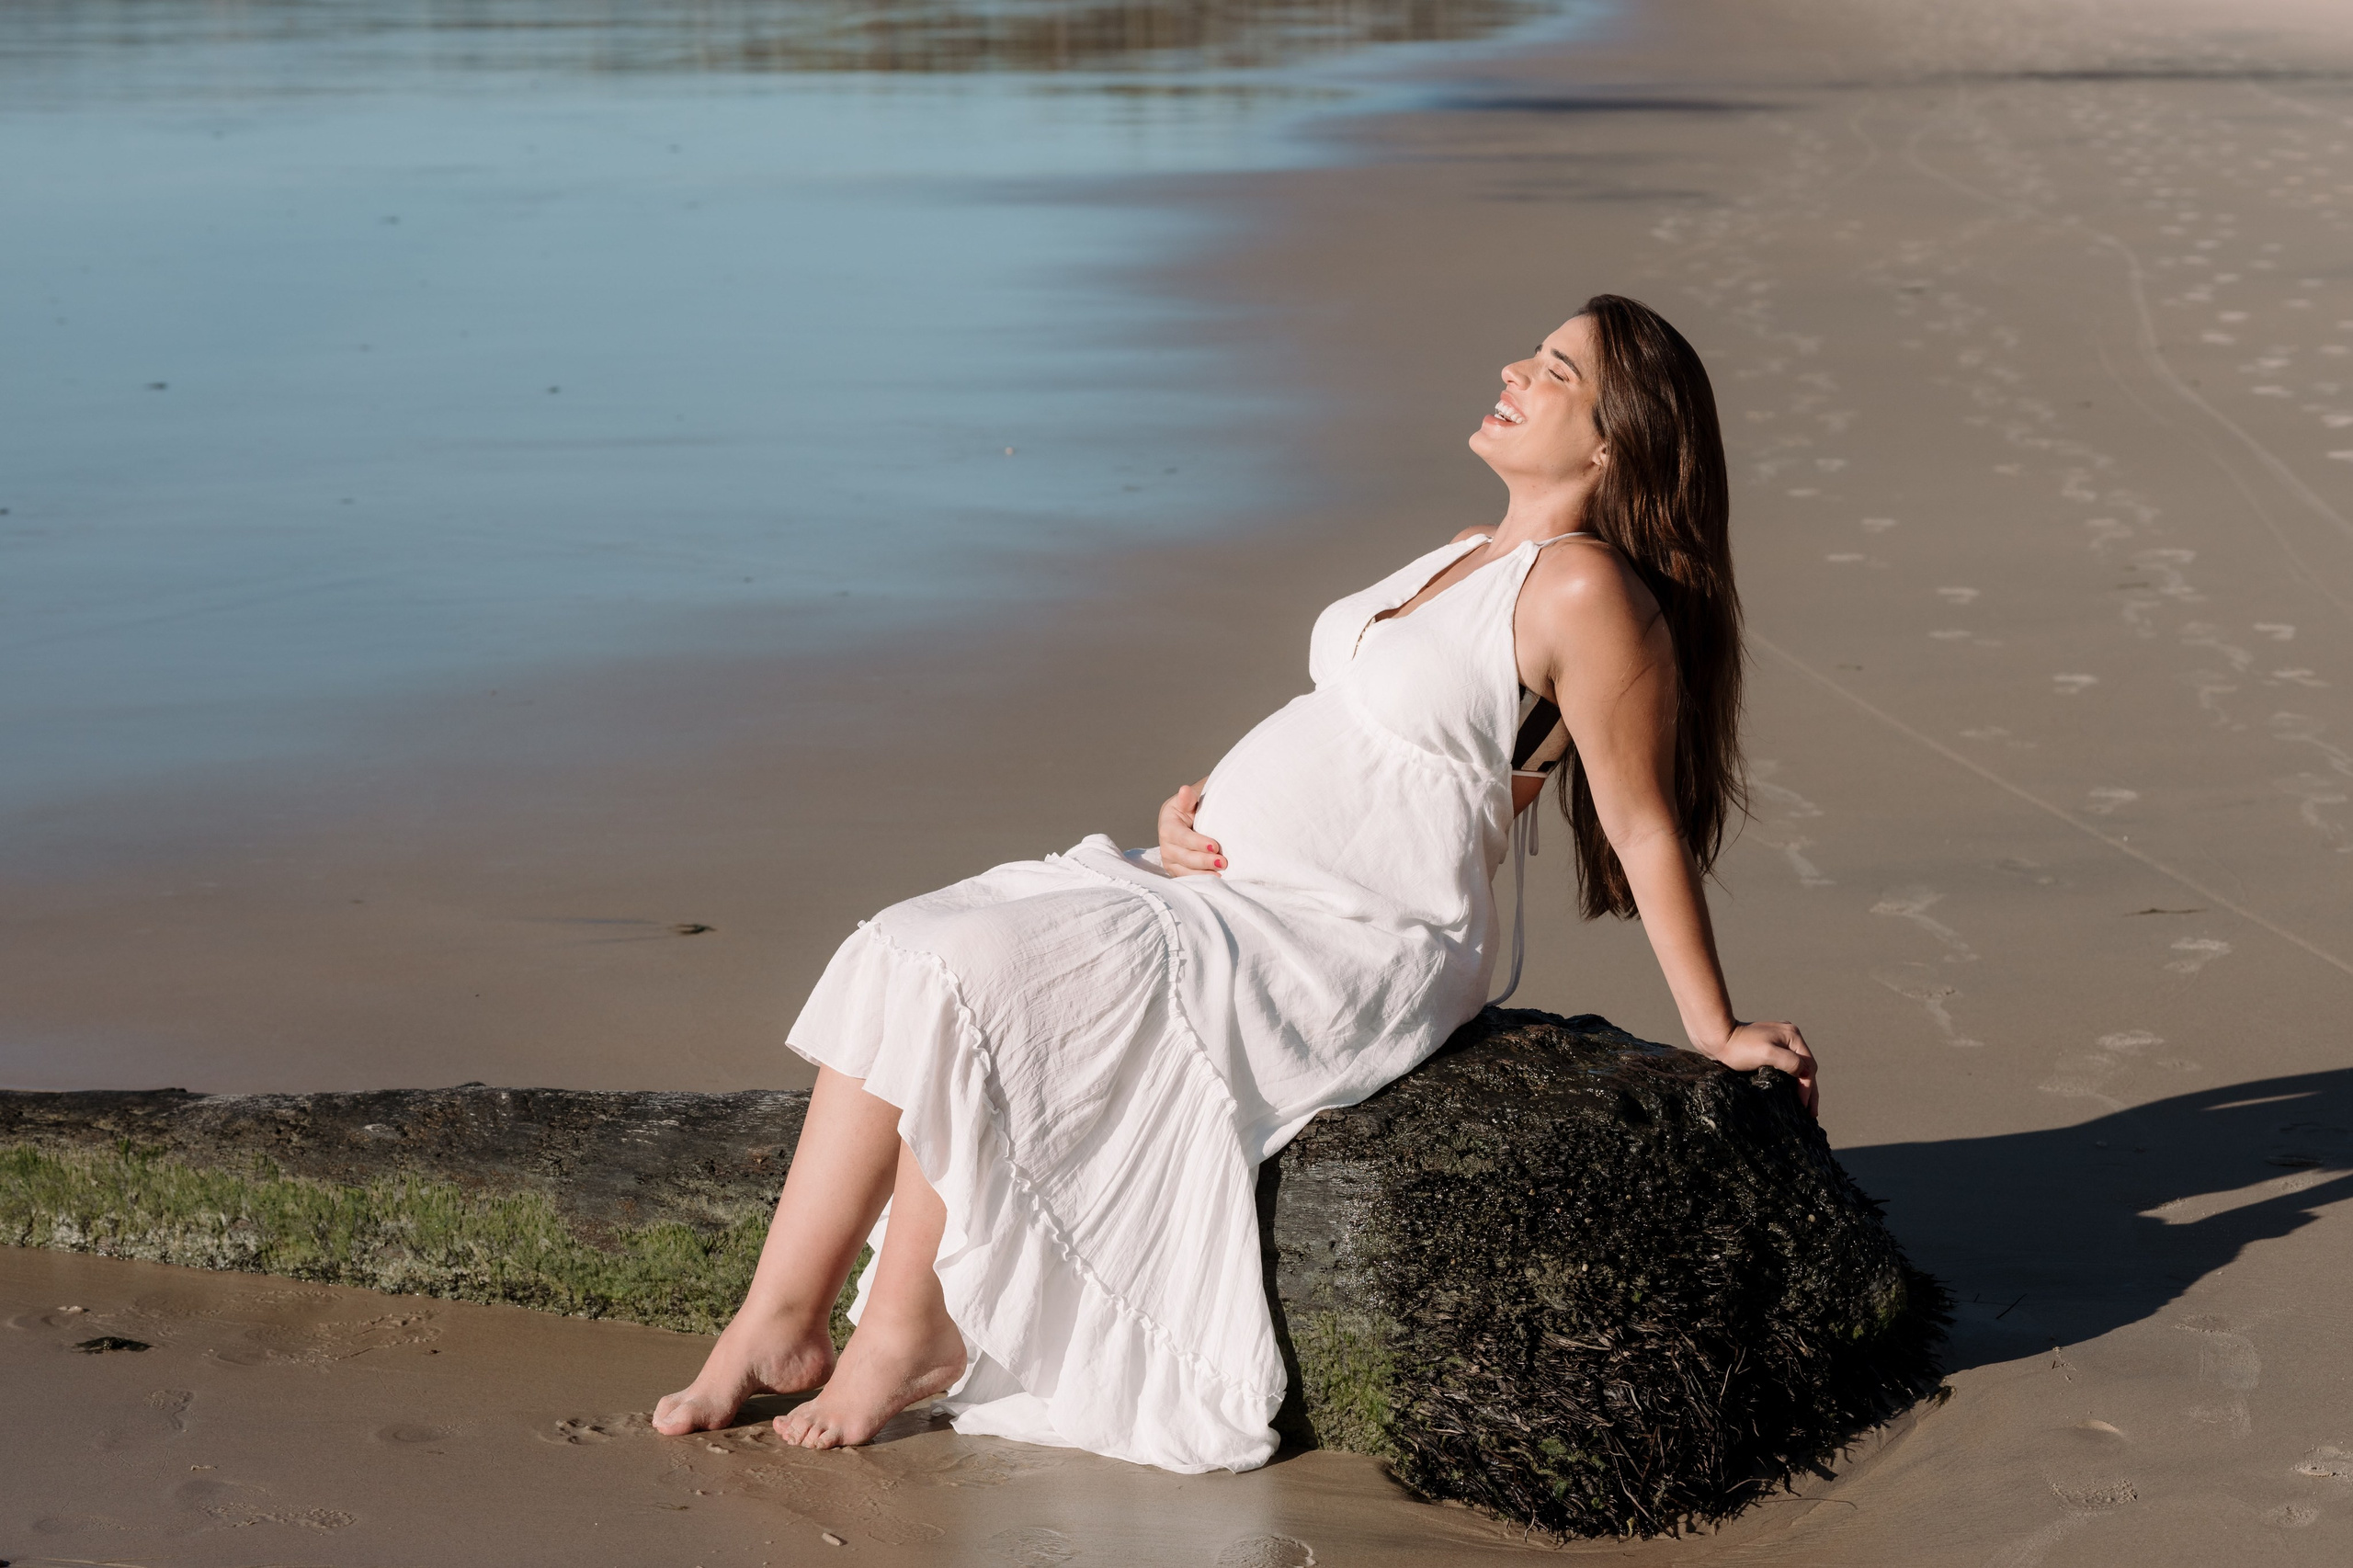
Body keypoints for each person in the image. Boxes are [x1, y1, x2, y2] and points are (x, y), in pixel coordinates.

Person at [653, 294, 1816, 1474]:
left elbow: (1640, 821)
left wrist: (1711, 1027)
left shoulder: (1585, 591)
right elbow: (1393, 749)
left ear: (1613, 439)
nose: (1515, 365)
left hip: (1349, 936)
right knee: (910, 942)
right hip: (1230, 889)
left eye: (1556, 369)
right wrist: (1204, 803)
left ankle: (906, 1332)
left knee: (983, 973)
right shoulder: (1472, 550)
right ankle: (781, 1314)